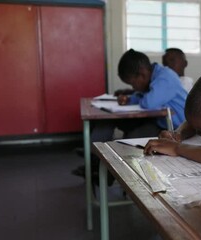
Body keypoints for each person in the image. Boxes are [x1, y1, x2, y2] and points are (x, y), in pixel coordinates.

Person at [72, 49, 188, 183]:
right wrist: (129, 99)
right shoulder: (154, 76)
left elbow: (149, 102)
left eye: (133, 83)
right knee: (106, 122)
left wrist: (136, 96)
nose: (134, 87)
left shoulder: (166, 77)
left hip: (175, 128)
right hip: (158, 121)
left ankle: (106, 174)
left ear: (142, 74)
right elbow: (144, 97)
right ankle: (93, 161)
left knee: (130, 139)